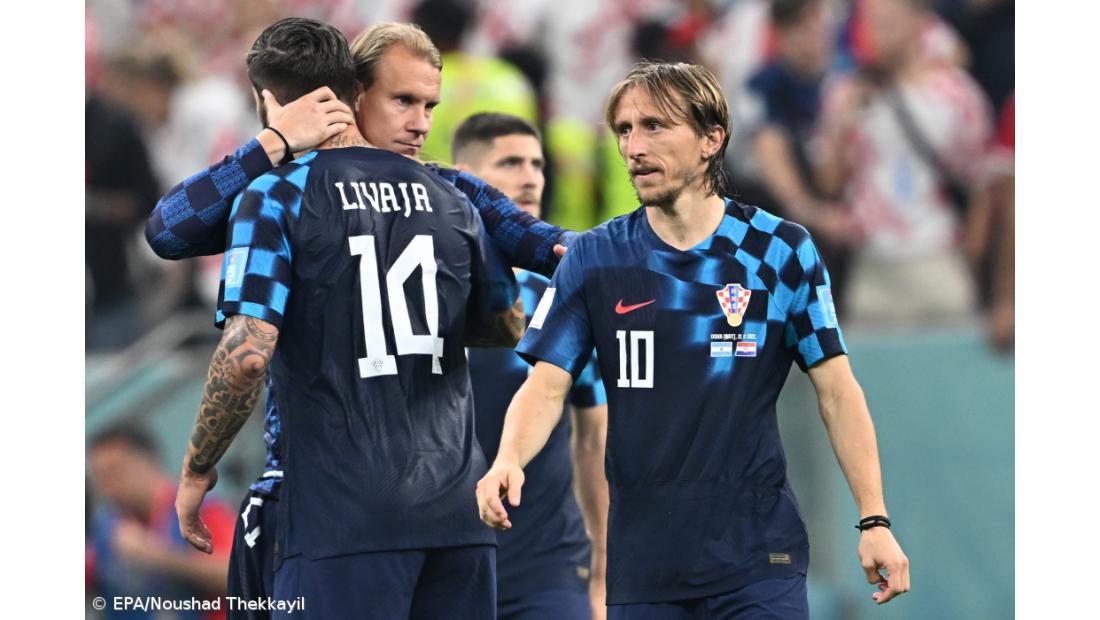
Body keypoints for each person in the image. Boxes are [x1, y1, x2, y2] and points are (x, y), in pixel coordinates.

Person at [141, 22, 571, 618]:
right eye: (404, 101)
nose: (422, 121)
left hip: (339, 520)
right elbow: (549, 264)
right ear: (352, 95)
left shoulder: (279, 194)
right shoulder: (455, 197)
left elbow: (178, 246)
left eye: (429, 105)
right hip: (457, 520)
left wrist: (195, 469)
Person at [475, 61, 910, 618]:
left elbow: (837, 392)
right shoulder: (594, 258)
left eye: (655, 126)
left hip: (757, 560)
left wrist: (874, 519)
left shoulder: (779, 252)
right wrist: (509, 457)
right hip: (644, 568)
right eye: (624, 130)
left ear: (711, 139)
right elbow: (547, 385)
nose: (634, 146)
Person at [453, 112, 610, 620]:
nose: (531, 177)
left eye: (538, 164)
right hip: (444, 565)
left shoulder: (563, 294)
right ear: (465, 178)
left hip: (549, 570)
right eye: (511, 162)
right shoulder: (428, 291)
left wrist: (605, 568)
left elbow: (592, 439)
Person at [812, 0, 994, 325]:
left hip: (937, 255)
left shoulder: (954, 94)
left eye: (889, 21)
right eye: (872, 23)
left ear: (917, 22)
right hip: (872, 263)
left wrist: (972, 252)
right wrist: (840, 127)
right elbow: (829, 184)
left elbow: (984, 178)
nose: (879, 33)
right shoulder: (844, 92)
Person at [87, 424, 234, 619]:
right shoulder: (105, 533)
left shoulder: (202, 508)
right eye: (100, 477)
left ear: (147, 462)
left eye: (115, 471)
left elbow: (238, 575)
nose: (108, 485)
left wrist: (160, 556)